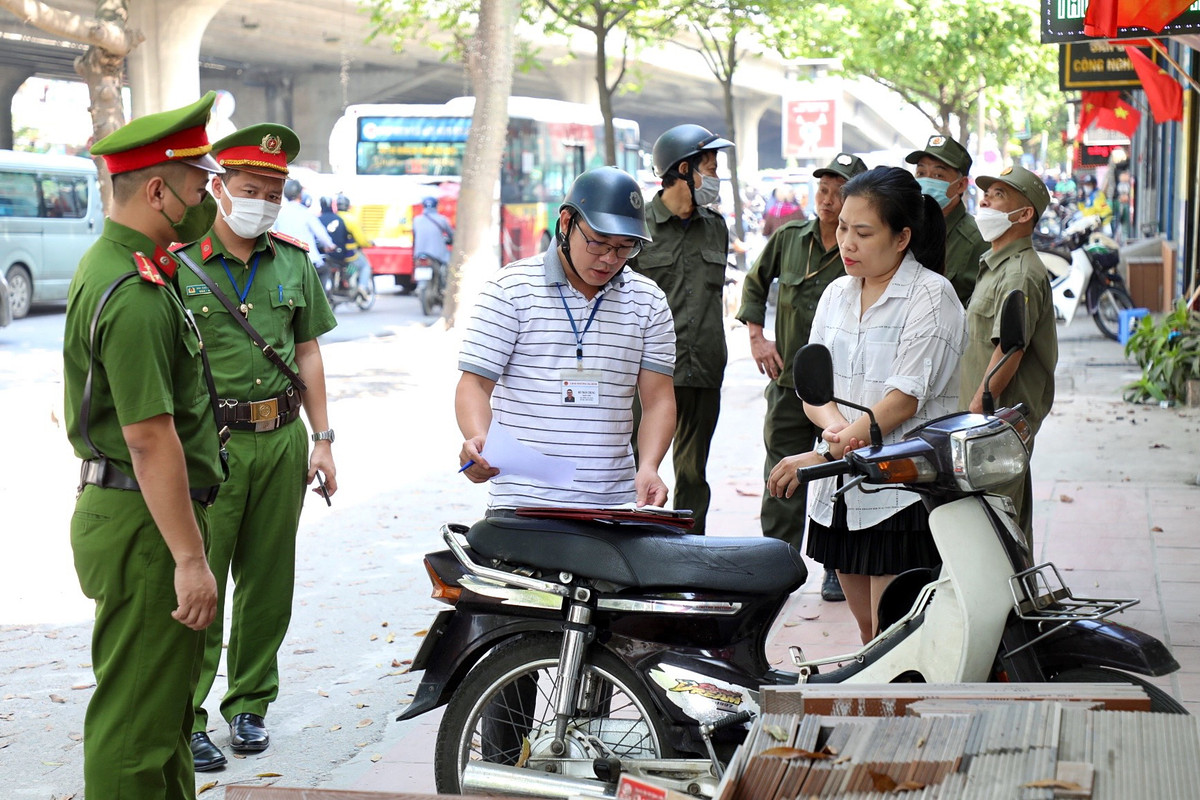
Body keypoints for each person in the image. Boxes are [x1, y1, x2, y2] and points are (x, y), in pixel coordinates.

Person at [62, 92, 226, 800]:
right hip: (146, 523)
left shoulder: (134, 269)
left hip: (147, 515)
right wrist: (190, 558)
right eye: (198, 184)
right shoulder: (131, 289)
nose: (207, 196)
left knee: (163, 717)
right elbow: (150, 438)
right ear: (157, 190)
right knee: (135, 728)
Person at [174, 124, 339, 772]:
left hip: (282, 441)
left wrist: (323, 441)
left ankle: (248, 705)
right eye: (251, 188)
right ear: (218, 188)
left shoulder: (293, 260)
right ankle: (185, 714)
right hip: (210, 446)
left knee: (269, 582)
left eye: (274, 191)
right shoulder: (182, 262)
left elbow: (308, 353)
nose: (264, 201)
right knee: (201, 585)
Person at [767, 166, 966, 644]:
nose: (847, 243)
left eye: (863, 232)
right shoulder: (836, 293)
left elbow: (901, 401)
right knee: (867, 636)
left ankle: (904, 717)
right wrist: (836, 436)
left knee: (897, 638)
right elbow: (814, 389)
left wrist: (828, 451)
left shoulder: (931, 296)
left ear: (901, 238)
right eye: (842, 229)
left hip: (900, 494)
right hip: (844, 491)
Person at [456, 166, 676, 509]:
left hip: (614, 505)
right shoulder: (510, 290)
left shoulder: (648, 300)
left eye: (624, 248)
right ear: (565, 222)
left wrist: (649, 466)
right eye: (598, 242)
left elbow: (659, 399)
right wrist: (478, 439)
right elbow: (475, 385)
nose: (609, 259)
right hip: (525, 504)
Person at [737, 152, 867, 603]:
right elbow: (754, 284)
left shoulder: (862, 249)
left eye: (839, 191)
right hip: (791, 385)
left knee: (842, 473)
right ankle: (776, 562)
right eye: (823, 190)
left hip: (845, 391)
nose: (828, 200)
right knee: (783, 473)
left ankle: (837, 566)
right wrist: (757, 337)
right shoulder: (791, 238)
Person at [627, 123, 733, 533]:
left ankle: (689, 557)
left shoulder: (716, 227)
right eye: (711, 166)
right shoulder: (639, 228)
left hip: (704, 368)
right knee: (640, 469)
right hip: (651, 374)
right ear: (684, 169)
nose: (716, 177)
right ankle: (636, 549)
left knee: (693, 475)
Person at [961, 165, 1058, 545]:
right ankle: (1020, 601)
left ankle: (1007, 604)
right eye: (986, 194)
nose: (984, 201)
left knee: (996, 529)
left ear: (1024, 213)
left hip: (994, 421)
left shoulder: (1020, 274)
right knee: (999, 522)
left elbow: (1008, 350)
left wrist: (975, 413)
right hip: (986, 421)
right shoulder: (996, 266)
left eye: (998, 195)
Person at [906, 134, 987, 306]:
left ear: (961, 185)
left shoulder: (977, 240)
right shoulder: (904, 228)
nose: (926, 182)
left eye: (938, 175)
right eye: (921, 173)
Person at [274, 178, 334, 273]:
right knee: (325, 272)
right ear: (300, 194)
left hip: (284, 261)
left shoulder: (278, 213)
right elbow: (320, 233)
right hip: (308, 260)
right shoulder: (306, 213)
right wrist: (330, 245)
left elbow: (272, 233)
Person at [318, 195, 373, 294]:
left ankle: (347, 279)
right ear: (348, 206)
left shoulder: (334, 217)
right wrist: (368, 244)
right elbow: (361, 240)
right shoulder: (351, 219)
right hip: (348, 254)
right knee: (364, 266)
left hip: (330, 252)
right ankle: (361, 287)